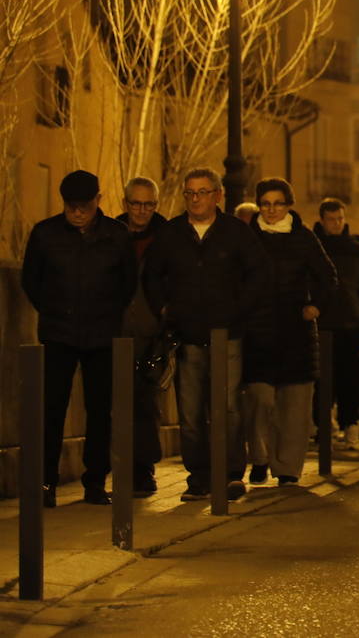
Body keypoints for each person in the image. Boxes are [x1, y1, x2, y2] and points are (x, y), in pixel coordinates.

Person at [144, 168, 266, 502]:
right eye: (190, 193)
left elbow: (257, 274)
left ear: (217, 195)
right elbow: (152, 276)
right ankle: (198, 476)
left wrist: (238, 311)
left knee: (227, 407)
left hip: (229, 333)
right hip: (187, 334)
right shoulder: (172, 234)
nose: (195, 199)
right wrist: (165, 310)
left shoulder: (236, 233)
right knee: (190, 411)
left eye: (202, 192)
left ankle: (229, 475)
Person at [21, 169, 138, 507]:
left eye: (83, 206)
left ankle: (95, 481)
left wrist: (107, 312)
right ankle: (45, 482)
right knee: (51, 409)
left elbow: (127, 283)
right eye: (71, 206)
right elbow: (32, 280)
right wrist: (55, 310)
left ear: (98, 202)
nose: (77, 213)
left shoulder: (116, 236)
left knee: (101, 410)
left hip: (102, 333)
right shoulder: (45, 235)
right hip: (59, 332)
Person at [241, 179, 336, 486]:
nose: (271, 209)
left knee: (294, 407)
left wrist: (315, 306)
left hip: (296, 332)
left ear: (288, 205)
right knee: (260, 398)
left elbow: (328, 276)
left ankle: (287, 469)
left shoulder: (303, 238)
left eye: (278, 203)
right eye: (265, 203)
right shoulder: (248, 237)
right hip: (258, 330)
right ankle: (259, 456)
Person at [115, 177, 169, 496]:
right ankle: (120, 471)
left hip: (153, 333)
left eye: (149, 204)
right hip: (113, 331)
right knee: (116, 404)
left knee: (146, 405)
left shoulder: (167, 237)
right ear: (125, 204)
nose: (142, 210)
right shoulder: (109, 235)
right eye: (136, 203)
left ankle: (144, 471)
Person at [314, 198, 359, 450]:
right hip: (321, 321)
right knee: (321, 380)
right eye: (331, 219)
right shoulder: (314, 246)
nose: (337, 224)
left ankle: (350, 424)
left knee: (350, 378)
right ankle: (322, 427)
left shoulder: (356, 248)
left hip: (350, 322)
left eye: (340, 218)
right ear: (322, 220)